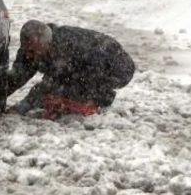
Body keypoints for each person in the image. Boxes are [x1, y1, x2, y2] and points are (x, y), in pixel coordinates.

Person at [8, 20, 136, 120]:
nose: (29, 55)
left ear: (47, 45)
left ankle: (100, 98)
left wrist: (24, 105)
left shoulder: (66, 48)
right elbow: (17, 76)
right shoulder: (31, 49)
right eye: (26, 50)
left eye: (33, 51)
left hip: (117, 66)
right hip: (90, 63)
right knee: (59, 89)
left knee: (64, 87)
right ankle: (85, 97)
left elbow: (51, 84)